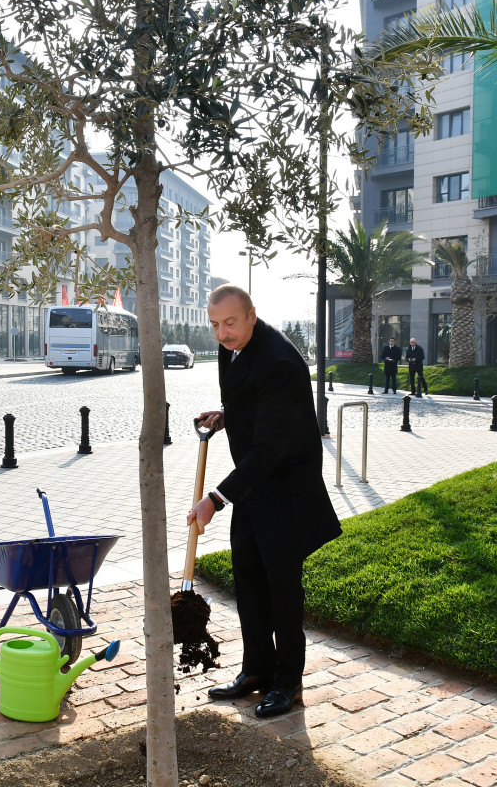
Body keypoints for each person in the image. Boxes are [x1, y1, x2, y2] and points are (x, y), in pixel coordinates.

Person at [188, 284, 341, 718]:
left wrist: (215, 498)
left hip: (286, 490)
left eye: (231, 322)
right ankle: (257, 671)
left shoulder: (280, 363)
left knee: (282, 589)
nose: (222, 333)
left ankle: (288, 682)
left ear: (252, 314)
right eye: (215, 324)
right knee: (249, 579)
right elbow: (246, 397)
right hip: (254, 486)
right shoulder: (231, 346)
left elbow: (271, 449)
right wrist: (226, 415)